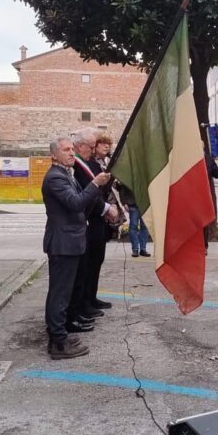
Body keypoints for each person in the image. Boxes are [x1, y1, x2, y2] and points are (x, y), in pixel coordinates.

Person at [41, 137, 112, 359]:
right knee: (60, 294)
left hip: (70, 242)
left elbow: (80, 202)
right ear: (54, 155)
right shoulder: (55, 178)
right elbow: (75, 202)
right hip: (63, 243)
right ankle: (58, 343)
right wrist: (94, 184)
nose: (71, 153)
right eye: (65, 150)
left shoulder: (65, 174)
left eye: (72, 149)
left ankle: (59, 334)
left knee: (64, 292)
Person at [68, 127, 119, 332]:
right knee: (86, 267)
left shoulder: (90, 163)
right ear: (82, 146)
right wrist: (105, 207)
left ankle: (89, 299)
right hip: (89, 220)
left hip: (97, 219)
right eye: (91, 146)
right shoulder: (80, 166)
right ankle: (82, 305)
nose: (93, 149)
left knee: (95, 262)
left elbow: (97, 190)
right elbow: (87, 192)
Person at [119, 184, 150, 257]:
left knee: (144, 226)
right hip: (132, 204)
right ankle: (135, 249)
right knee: (133, 226)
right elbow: (122, 187)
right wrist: (124, 202)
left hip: (144, 204)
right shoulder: (129, 173)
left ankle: (143, 249)